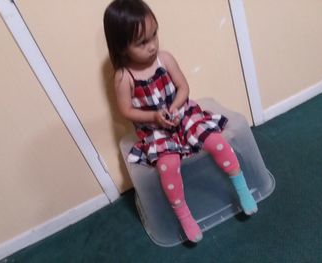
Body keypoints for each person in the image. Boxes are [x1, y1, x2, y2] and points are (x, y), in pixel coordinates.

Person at [103, 0, 257, 243]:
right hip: (155, 130)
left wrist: (175, 106)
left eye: (154, 35)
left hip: (183, 114)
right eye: (142, 42)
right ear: (122, 47)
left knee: (216, 140)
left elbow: (183, 86)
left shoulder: (165, 59)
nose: (152, 45)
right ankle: (184, 215)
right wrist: (154, 117)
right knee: (168, 164)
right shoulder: (124, 77)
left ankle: (242, 188)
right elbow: (126, 111)